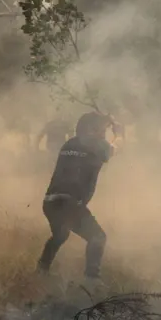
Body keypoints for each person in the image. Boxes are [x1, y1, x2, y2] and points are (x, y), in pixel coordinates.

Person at [36, 111, 116, 287]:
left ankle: (41, 270)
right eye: (102, 129)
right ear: (91, 129)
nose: (104, 132)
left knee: (60, 234)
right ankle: (92, 280)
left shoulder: (68, 143)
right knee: (97, 238)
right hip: (70, 203)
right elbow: (110, 151)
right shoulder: (98, 144)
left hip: (50, 202)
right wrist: (116, 134)